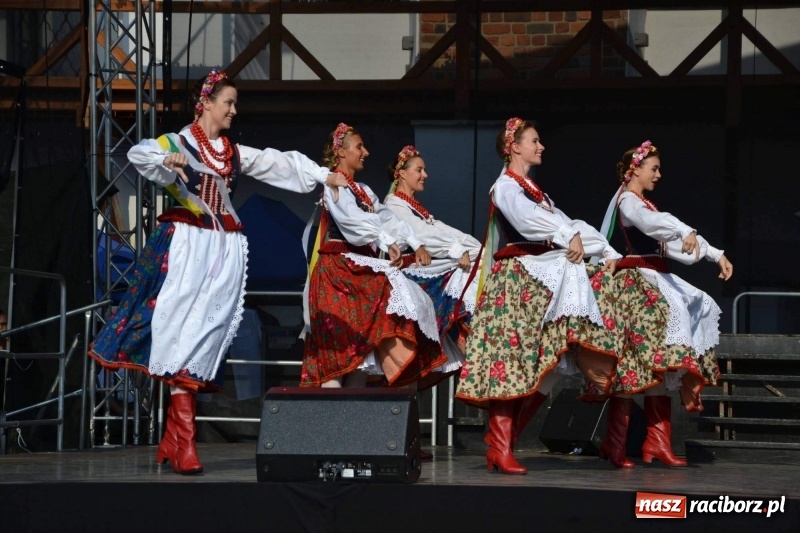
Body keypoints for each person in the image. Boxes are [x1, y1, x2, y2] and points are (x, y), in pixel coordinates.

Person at [88, 69, 347, 475]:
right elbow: (141, 154)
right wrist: (166, 159)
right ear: (205, 103)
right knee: (180, 333)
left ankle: (175, 438)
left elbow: (274, 162)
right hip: (188, 244)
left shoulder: (230, 150)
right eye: (228, 102)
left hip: (224, 247)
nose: (233, 109)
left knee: (206, 333)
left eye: (234, 102)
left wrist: (320, 175)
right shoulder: (179, 142)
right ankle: (185, 442)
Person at [454, 118, 623, 475]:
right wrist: (566, 234)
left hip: (539, 280)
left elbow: (569, 225)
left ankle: (503, 442)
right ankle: (500, 445)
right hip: (516, 281)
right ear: (514, 146)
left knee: (545, 367)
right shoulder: (505, 187)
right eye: (534, 140)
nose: (541, 146)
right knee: (512, 362)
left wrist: (605, 250)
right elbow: (530, 222)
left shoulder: (537, 193)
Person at [592, 140, 733, 468]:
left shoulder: (645, 204)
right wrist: (685, 229)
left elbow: (673, 245)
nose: (658, 174)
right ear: (636, 169)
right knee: (636, 363)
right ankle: (616, 444)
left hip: (657, 277)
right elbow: (654, 226)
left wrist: (715, 254)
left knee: (662, 361)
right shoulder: (628, 201)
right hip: (639, 282)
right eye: (653, 168)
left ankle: (656, 443)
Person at [300, 123, 446, 390]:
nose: (365, 152)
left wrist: (414, 242)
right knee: (336, 357)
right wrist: (386, 240)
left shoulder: (364, 190)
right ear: (341, 153)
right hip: (339, 269)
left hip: (357, 268)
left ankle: (357, 425)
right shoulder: (335, 184)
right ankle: (330, 427)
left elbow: (386, 217)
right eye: (359, 147)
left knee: (361, 354)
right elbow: (351, 222)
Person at [384, 145, 482, 381]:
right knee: (460, 278)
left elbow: (440, 230)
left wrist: (474, 247)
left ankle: (473, 341)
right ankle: (468, 341)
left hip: (423, 272)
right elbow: (420, 234)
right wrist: (457, 249)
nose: (425, 175)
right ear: (402, 173)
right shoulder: (393, 205)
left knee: (470, 268)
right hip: (408, 277)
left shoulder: (415, 208)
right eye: (419, 170)